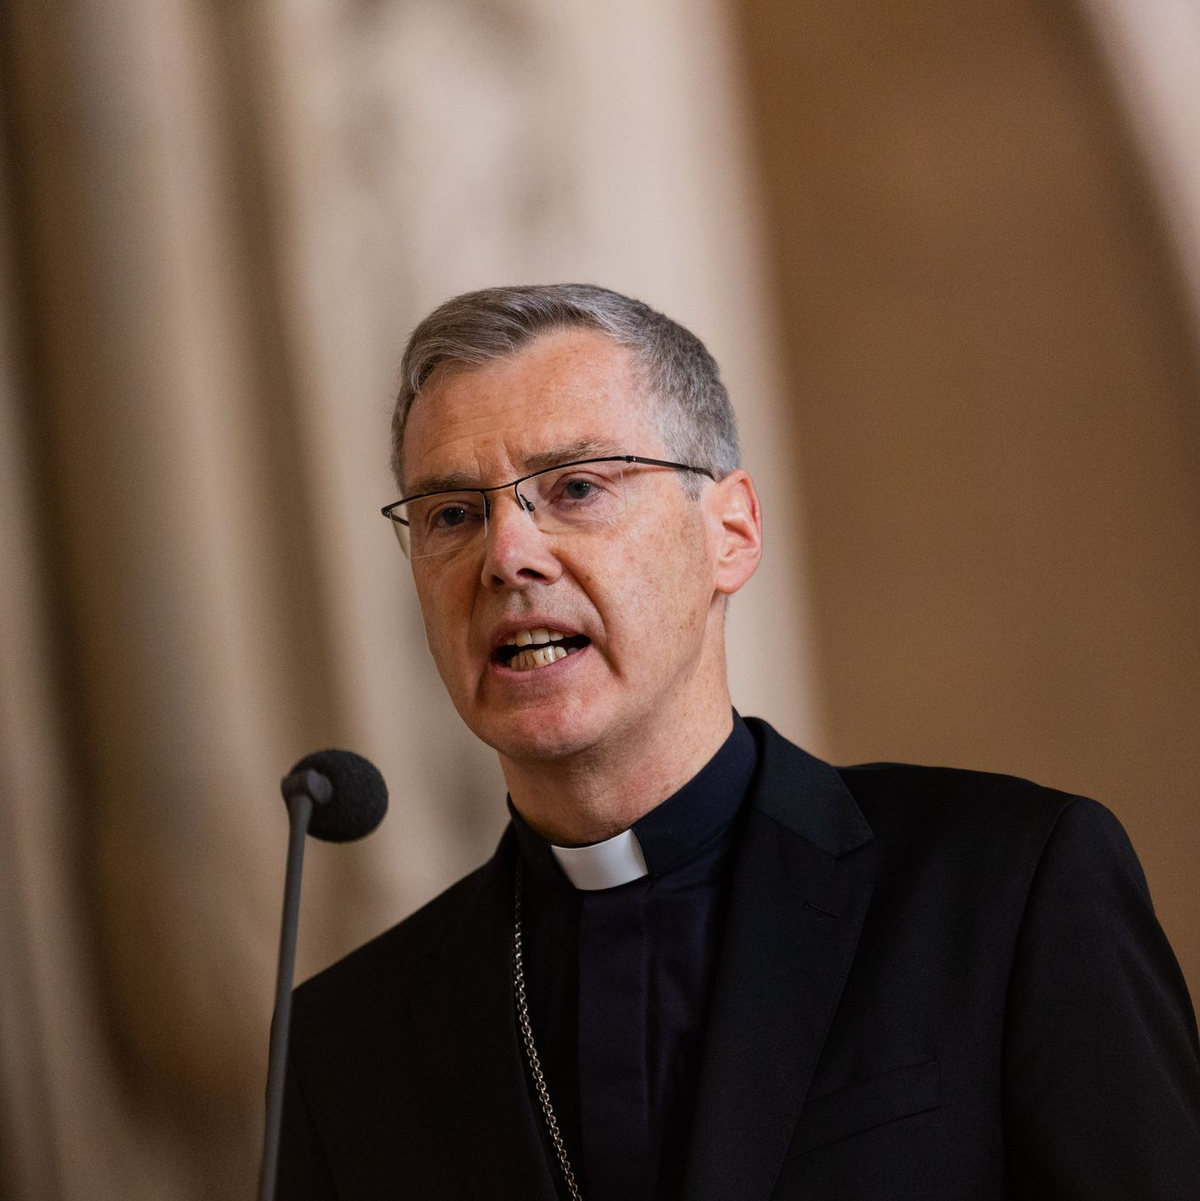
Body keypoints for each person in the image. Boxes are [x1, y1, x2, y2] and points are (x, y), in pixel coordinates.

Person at [278, 284, 1200, 1200]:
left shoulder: (1004, 889)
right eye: (451, 513)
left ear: (732, 531)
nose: (508, 554)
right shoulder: (345, 1044)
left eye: (577, 487)